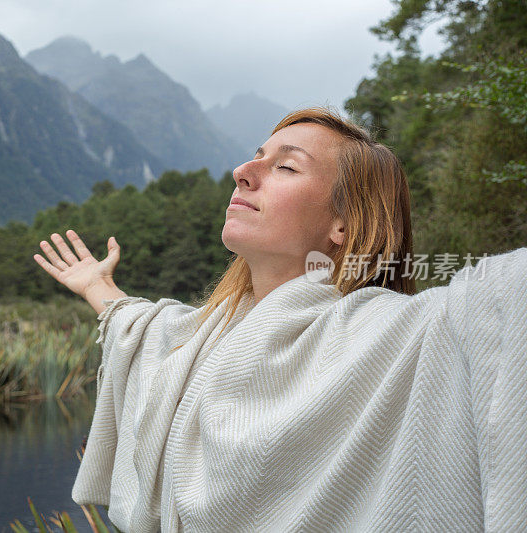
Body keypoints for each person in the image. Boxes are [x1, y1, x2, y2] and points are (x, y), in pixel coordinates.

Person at [33, 107, 527, 532]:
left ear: (344, 223)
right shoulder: (203, 334)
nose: (242, 172)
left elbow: (505, 300)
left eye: (287, 167)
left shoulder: (401, 337)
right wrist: (96, 286)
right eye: (256, 156)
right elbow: (140, 329)